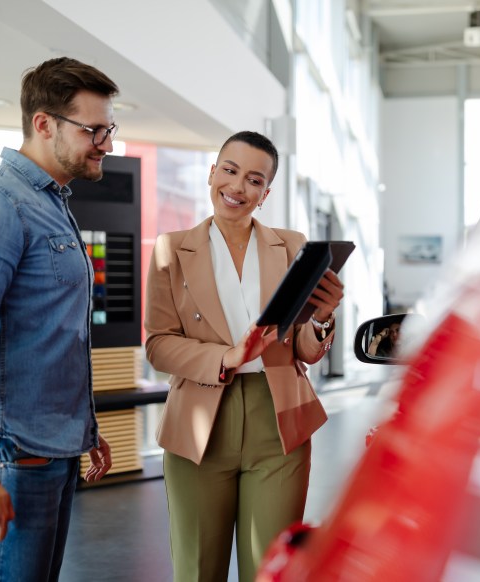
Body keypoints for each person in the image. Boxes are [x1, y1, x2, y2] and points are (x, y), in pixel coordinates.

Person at [0, 57, 118, 581]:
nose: (106, 141)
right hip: (11, 459)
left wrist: (85, 427)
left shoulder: (53, 205)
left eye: (108, 128)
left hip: (50, 450)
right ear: (44, 124)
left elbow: (52, 336)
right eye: (93, 129)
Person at [144, 130, 344, 581]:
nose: (237, 187)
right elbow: (158, 343)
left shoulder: (293, 246)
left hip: (279, 422)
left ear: (266, 193)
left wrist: (323, 319)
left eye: (254, 180)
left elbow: (306, 352)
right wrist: (226, 356)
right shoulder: (171, 250)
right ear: (212, 173)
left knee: (272, 569)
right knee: (199, 569)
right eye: (230, 172)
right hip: (200, 422)